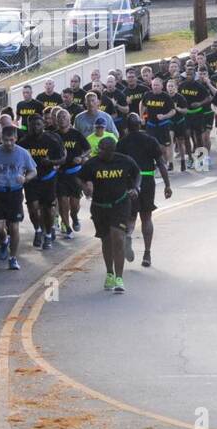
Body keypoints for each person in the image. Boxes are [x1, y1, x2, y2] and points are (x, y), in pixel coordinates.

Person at [80, 135, 140, 294]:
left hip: (120, 204)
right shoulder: (92, 163)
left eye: (102, 150)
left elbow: (137, 174)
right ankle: (109, 273)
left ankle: (119, 278)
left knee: (118, 238)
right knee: (106, 240)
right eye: (98, 149)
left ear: (111, 151)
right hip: (99, 206)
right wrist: (85, 187)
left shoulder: (125, 161)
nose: (98, 152)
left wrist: (135, 188)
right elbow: (79, 177)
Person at [117, 114, 172, 269]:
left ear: (126, 127)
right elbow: (161, 164)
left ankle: (128, 236)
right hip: (147, 181)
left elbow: (118, 166)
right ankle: (147, 253)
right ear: (140, 124)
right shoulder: (150, 140)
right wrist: (167, 185)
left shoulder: (122, 143)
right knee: (146, 217)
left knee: (131, 216)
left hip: (129, 182)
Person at [0, 126, 38, 270]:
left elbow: (33, 171)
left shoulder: (23, 153)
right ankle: (3, 241)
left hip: (14, 192)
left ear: (16, 139)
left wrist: (25, 178)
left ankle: (13, 257)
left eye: (11, 140)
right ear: (1, 139)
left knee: (14, 227)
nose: (9, 143)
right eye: (6, 140)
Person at [20, 114, 65, 251]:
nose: (35, 127)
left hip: (48, 178)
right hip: (32, 180)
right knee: (33, 208)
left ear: (43, 125)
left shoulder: (52, 140)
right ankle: (38, 230)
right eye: (32, 125)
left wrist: (50, 162)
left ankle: (49, 233)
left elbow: (62, 160)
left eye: (38, 124)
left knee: (48, 209)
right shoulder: (23, 142)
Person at [54, 107, 89, 237]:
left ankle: (74, 218)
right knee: (63, 202)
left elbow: (88, 149)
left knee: (74, 205)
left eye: (64, 117)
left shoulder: (76, 134)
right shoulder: (54, 135)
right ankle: (67, 228)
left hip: (75, 173)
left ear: (69, 119)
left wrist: (81, 157)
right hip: (60, 173)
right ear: (56, 120)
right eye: (60, 117)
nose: (62, 119)